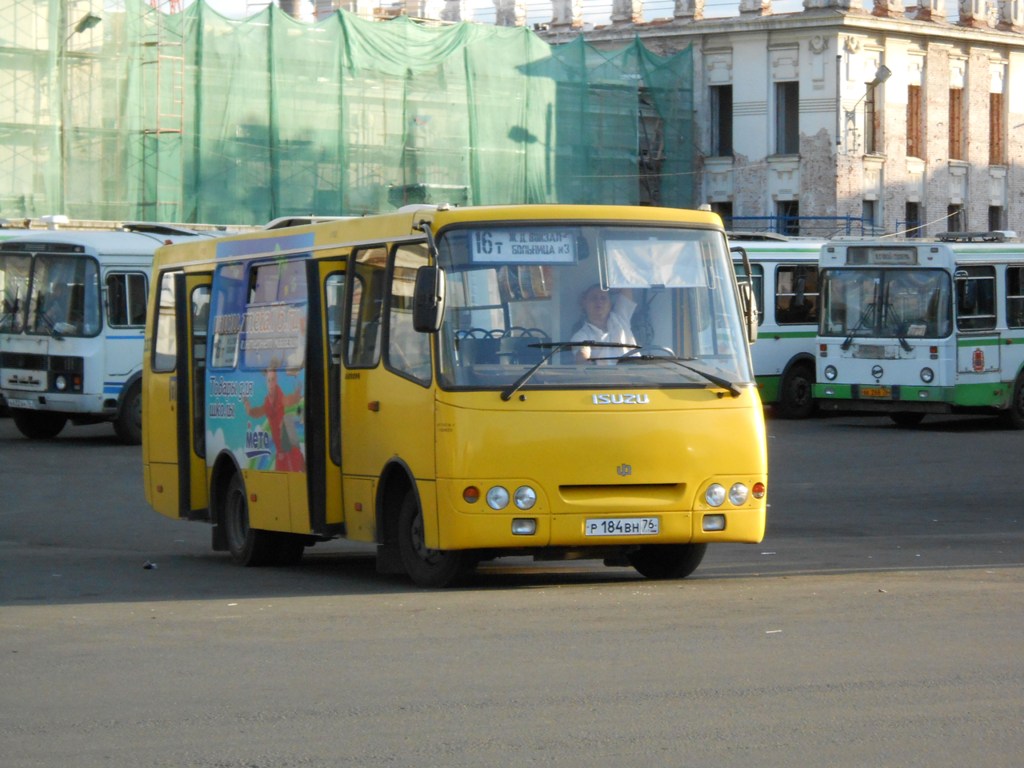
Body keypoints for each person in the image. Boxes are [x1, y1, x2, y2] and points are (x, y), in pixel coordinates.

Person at [570, 285, 636, 361]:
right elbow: (583, 358)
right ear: (584, 303)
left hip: (634, 370)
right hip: (605, 373)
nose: (599, 301)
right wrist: (585, 359)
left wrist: (612, 287)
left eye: (603, 298)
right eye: (594, 298)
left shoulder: (621, 317)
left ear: (610, 304)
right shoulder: (581, 335)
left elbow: (626, 284)